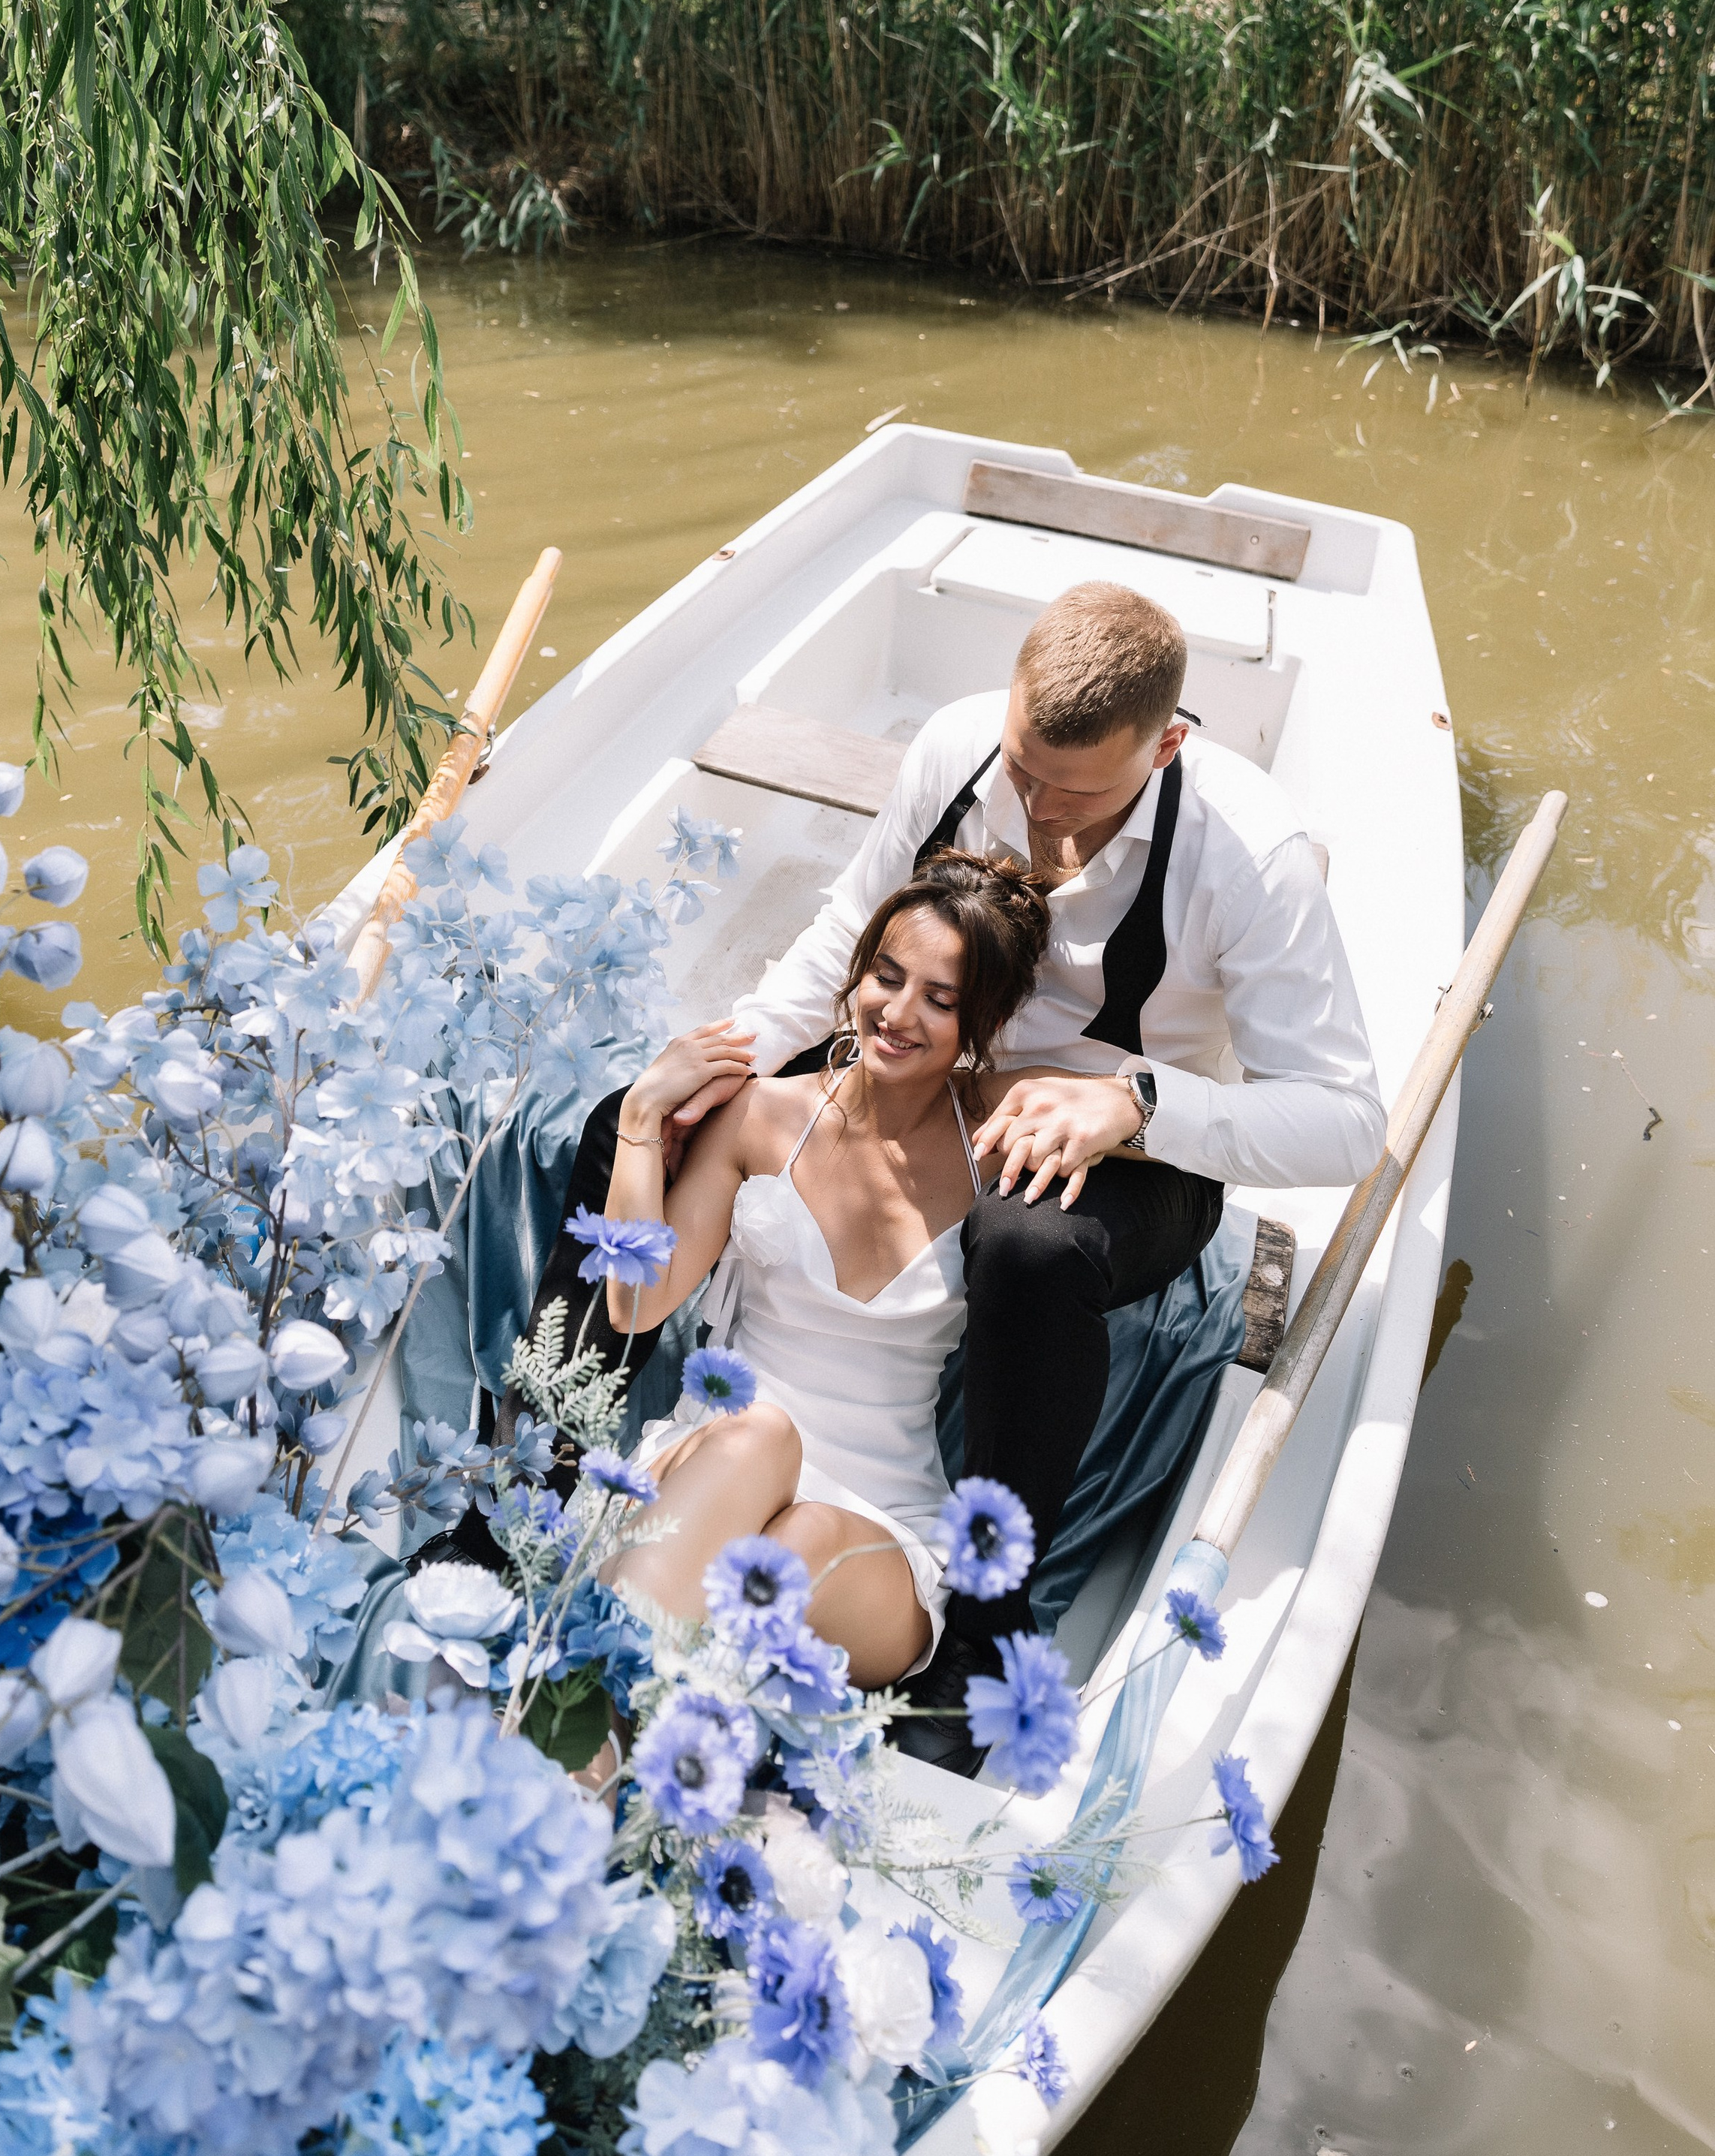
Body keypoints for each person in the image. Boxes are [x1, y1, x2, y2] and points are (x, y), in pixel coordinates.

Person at [525, 577, 1385, 1771]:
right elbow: (849, 931)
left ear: (1168, 744)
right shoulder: (959, 749)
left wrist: (1134, 1102)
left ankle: (983, 1633)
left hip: (1139, 1142)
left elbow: (1345, 1125)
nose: (1031, 814)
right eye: (1019, 771)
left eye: (1072, 795)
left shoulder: (1251, 860)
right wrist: (719, 1071)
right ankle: (534, 1461)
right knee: (635, 1111)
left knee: (1027, 1246)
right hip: (942, 1053)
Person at [594, 853, 1052, 1689]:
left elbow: (1148, 1112)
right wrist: (637, 1120)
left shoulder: (1003, 1138)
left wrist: (1127, 1107)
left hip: (875, 1526)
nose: (898, 1012)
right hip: (718, 1463)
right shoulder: (764, 1114)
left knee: (797, 1543)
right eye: (886, 975)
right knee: (762, 1431)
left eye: (941, 1001)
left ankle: (606, 1714)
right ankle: (596, 1726)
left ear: (983, 1020)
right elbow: (632, 1302)